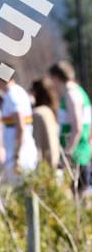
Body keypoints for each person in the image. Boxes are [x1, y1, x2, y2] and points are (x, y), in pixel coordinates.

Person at [49, 60, 92, 194]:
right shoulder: (78, 92)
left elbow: (77, 127)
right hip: (82, 151)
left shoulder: (71, 95)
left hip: (77, 156)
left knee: (80, 197)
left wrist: (67, 153)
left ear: (56, 78)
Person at [0, 63, 38, 181]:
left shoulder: (13, 96)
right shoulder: (16, 93)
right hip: (20, 153)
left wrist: (16, 156)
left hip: (20, 156)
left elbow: (20, 126)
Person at [30, 78, 60, 169]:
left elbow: (37, 143)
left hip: (43, 165)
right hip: (54, 161)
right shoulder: (50, 111)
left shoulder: (38, 113)